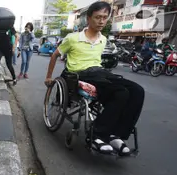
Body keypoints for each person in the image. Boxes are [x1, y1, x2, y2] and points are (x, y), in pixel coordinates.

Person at [44, 1, 145, 156]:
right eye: (98, 17)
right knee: (120, 93)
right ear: (89, 18)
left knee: (138, 91)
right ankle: (97, 135)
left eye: (105, 17)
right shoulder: (73, 38)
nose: (101, 21)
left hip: (99, 72)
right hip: (79, 74)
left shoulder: (103, 39)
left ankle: (115, 135)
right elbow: (55, 55)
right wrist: (49, 77)